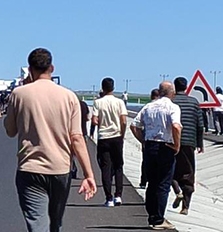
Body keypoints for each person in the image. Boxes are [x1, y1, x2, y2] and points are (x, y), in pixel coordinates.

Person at [4, 48, 97, 232]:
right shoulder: (69, 96)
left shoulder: (19, 94)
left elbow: (10, 131)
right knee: (56, 222)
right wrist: (89, 174)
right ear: (52, 68)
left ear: (30, 69)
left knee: (37, 223)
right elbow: (77, 138)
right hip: (60, 169)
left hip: (30, 168)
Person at [131, 81, 182, 230]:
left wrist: (143, 141)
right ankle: (159, 219)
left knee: (152, 183)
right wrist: (176, 145)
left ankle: (152, 216)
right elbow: (176, 126)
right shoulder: (173, 107)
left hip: (150, 146)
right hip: (165, 146)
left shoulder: (149, 106)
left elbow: (134, 125)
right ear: (172, 93)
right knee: (163, 184)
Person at [92, 77, 128, 207]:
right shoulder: (119, 102)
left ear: (103, 88)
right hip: (117, 136)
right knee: (118, 166)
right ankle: (118, 195)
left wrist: (99, 124)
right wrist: (122, 134)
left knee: (105, 167)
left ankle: (109, 198)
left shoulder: (98, 102)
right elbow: (124, 121)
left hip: (103, 137)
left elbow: (94, 120)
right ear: (113, 88)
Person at [170, 77, 204, 215]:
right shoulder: (194, 102)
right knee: (188, 174)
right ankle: (186, 206)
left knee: (170, 170)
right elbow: (200, 125)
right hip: (190, 142)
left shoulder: (171, 102)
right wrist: (200, 144)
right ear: (187, 87)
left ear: (174, 87)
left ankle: (177, 191)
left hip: (171, 141)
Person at [139, 88, 160, 189]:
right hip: (161, 140)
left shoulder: (147, 107)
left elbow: (134, 125)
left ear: (151, 96)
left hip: (148, 139)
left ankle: (143, 181)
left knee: (146, 161)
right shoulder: (164, 107)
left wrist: (141, 139)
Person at [72, 99, 92, 179]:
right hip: (83, 132)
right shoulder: (84, 105)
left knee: (71, 155)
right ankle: (86, 172)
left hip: (73, 132)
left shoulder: (71, 104)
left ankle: (73, 169)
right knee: (82, 153)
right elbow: (88, 118)